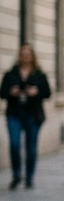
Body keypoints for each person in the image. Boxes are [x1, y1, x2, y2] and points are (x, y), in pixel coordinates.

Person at [4, 44, 51, 189]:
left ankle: (29, 176)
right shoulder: (11, 74)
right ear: (19, 56)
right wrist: (11, 92)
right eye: (23, 54)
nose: (25, 56)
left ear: (32, 56)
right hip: (14, 113)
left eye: (28, 54)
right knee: (15, 144)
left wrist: (36, 92)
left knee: (31, 147)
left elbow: (47, 93)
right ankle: (17, 174)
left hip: (32, 114)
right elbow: (2, 92)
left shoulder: (39, 75)